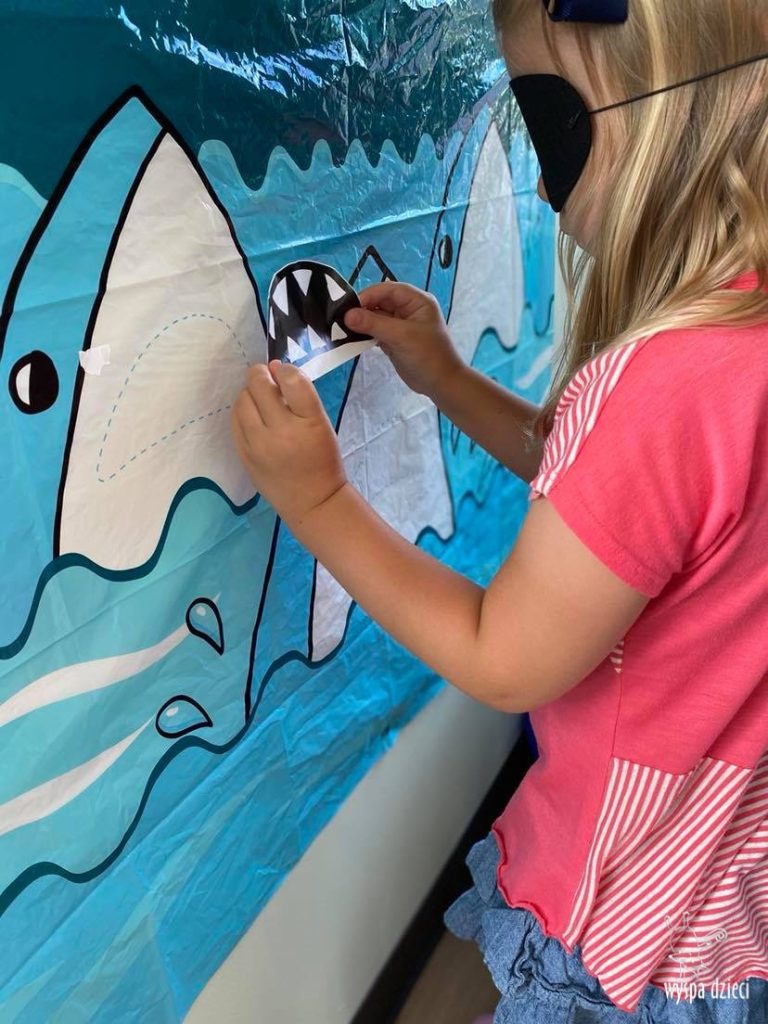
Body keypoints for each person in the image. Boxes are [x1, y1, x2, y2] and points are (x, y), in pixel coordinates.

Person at [230, 0, 768, 1019]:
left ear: (655, 110)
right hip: (723, 897)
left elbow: (503, 655)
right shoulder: (741, 333)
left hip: (627, 932)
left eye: (549, 123)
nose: (543, 178)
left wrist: (319, 500)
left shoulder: (664, 380)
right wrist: (444, 377)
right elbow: (614, 509)